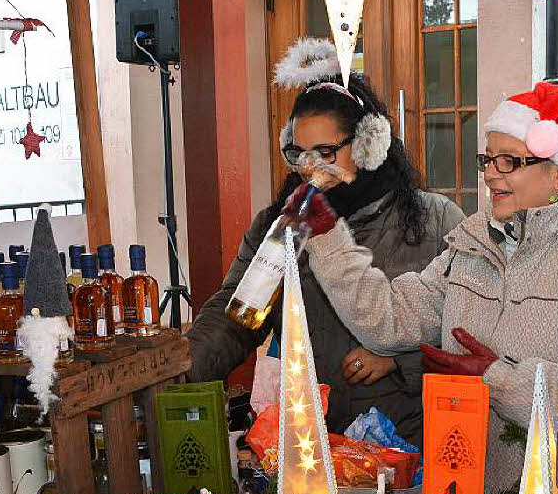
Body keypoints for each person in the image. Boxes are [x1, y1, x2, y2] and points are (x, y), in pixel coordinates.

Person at [290, 81, 558, 490]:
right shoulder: (472, 247)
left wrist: (496, 379)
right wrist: (327, 236)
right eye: (488, 159)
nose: (490, 175)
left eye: (509, 162)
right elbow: (389, 322)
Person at [186, 39, 464, 445]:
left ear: (369, 144)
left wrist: (402, 359)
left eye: (326, 151)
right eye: (298, 152)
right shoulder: (279, 223)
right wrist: (180, 366)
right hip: (309, 440)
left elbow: (465, 332)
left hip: (406, 442)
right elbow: (238, 318)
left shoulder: (435, 221)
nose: (310, 166)